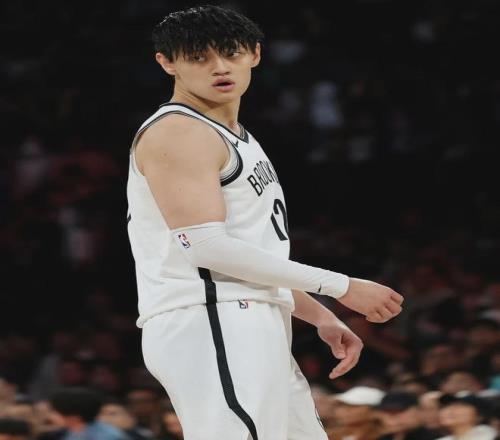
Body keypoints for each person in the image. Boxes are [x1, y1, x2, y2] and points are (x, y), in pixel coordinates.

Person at [126, 5, 403, 440]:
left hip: (250, 315)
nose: (219, 67)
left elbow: (251, 252)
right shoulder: (180, 132)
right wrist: (342, 286)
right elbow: (205, 246)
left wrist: (317, 314)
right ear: (167, 63)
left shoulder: (235, 134)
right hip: (209, 317)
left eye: (231, 53)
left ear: (254, 54)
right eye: (198, 57)